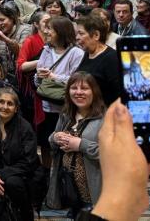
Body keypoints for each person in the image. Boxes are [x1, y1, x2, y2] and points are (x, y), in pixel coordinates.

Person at [0, 87, 38, 221]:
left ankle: (25, 215)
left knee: (12, 183)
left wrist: (0, 175)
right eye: (1, 102)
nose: (5, 106)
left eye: (10, 103)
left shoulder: (25, 128)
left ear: (16, 108)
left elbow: (29, 161)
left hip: (20, 175)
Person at [46, 71, 104, 215]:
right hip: (69, 185)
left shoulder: (105, 117)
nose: (78, 92)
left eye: (84, 88)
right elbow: (52, 142)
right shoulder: (66, 114)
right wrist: (55, 137)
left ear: (94, 92)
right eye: (74, 88)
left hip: (94, 189)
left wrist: (80, 144)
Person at [35, 16, 85, 167]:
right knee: (46, 142)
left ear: (61, 31)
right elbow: (37, 80)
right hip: (46, 107)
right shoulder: (46, 50)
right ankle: (48, 177)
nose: (46, 32)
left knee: (64, 145)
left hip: (65, 108)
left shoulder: (76, 53)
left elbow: (77, 79)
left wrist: (53, 77)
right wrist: (38, 76)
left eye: (50, 29)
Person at [75, 14, 121, 106]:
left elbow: (119, 95)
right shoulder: (88, 53)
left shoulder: (112, 58)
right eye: (77, 34)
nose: (77, 37)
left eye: (81, 33)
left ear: (96, 35)